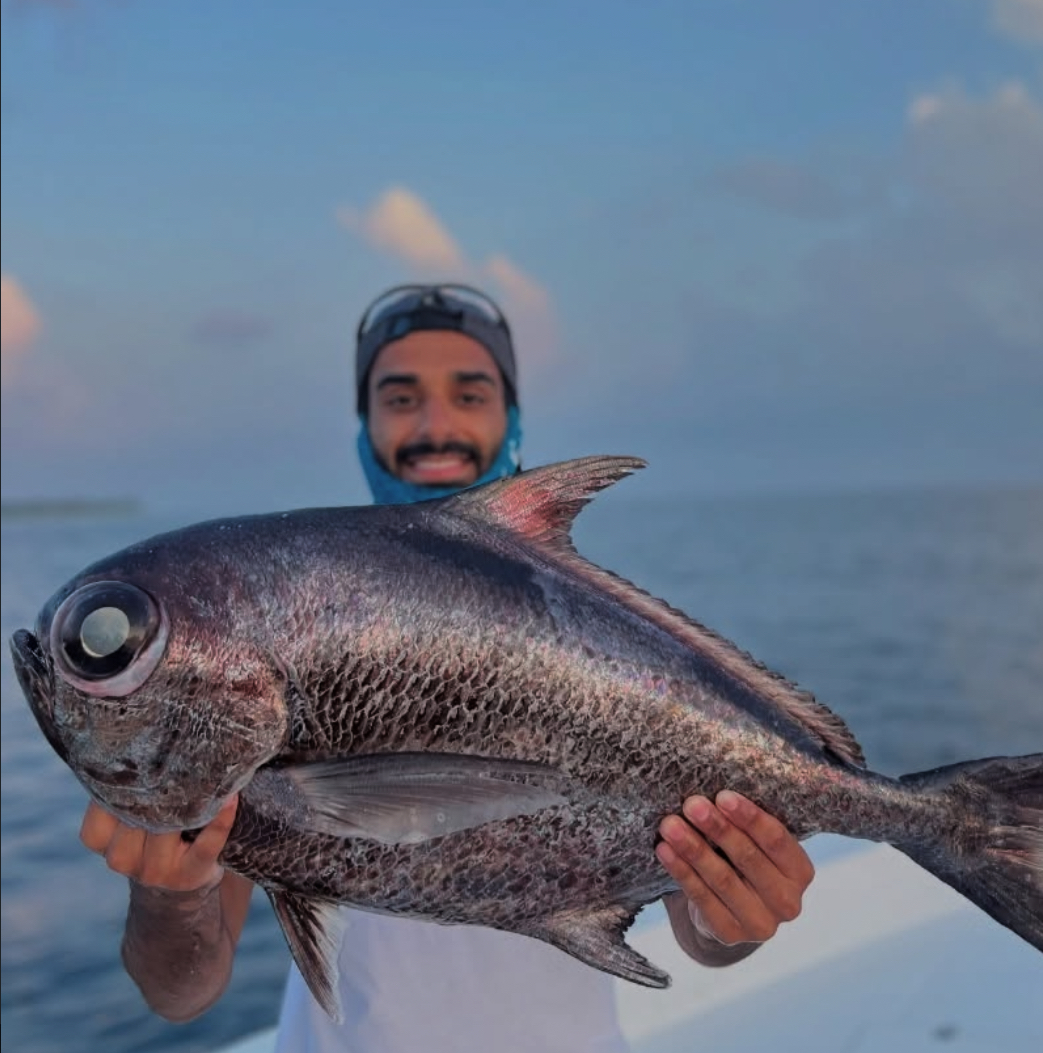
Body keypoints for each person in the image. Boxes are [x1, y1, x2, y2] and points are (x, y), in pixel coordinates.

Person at [80, 283, 816, 1051]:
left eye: (469, 393)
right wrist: (167, 896)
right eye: (400, 399)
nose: (434, 426)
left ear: (514, 420)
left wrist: (732, 913)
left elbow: (702, 935)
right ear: (364, 430)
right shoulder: (283, 633)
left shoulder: (601, 645)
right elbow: (184, 989)